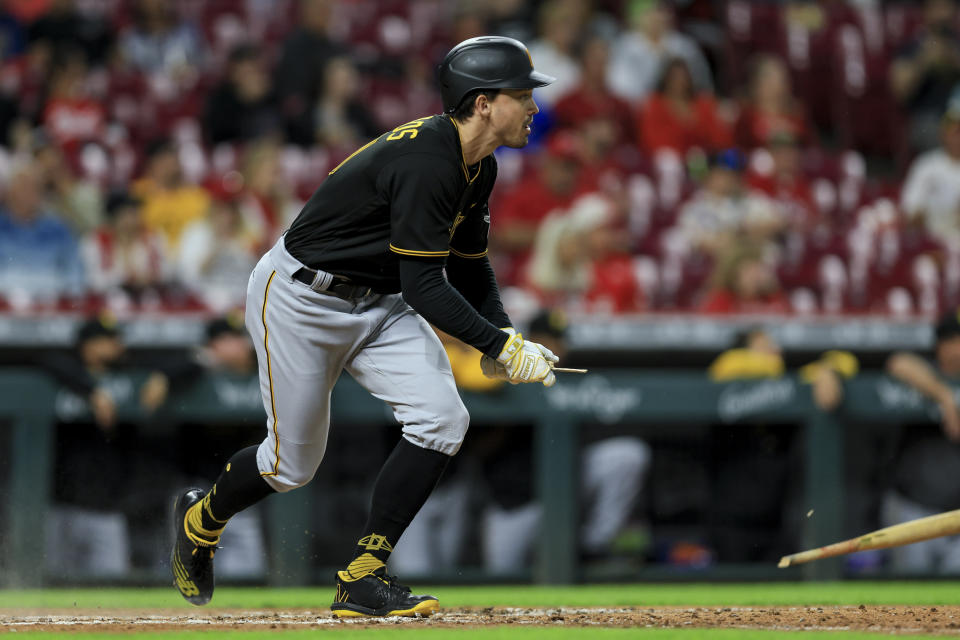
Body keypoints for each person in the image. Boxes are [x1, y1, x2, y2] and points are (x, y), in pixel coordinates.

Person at [170, 36, 562, 617]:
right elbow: (426, 286)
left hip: (376, 301)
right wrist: (497, 341)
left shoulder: (478, 165)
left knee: (443, 418)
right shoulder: (429, 160)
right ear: (482, 103)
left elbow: (469, 261)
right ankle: (202, 517)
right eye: (522, 94)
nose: (533, 105)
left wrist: (504, 338)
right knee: (290, 466)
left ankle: (362, 575)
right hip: (301, 299)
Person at [883, 309, 960, 572]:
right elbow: (898, 362)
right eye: (952, 342)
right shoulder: (927, 373)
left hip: (957, 521)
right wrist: (944, 397)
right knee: (907, 596)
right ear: (940, 346)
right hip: (914, 511)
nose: (957, 349)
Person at [900, 100, 960, 247]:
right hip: (930, 239)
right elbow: (910, 209)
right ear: (944, 133)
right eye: (954, 132)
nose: (957, 138)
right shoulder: (927, 165)